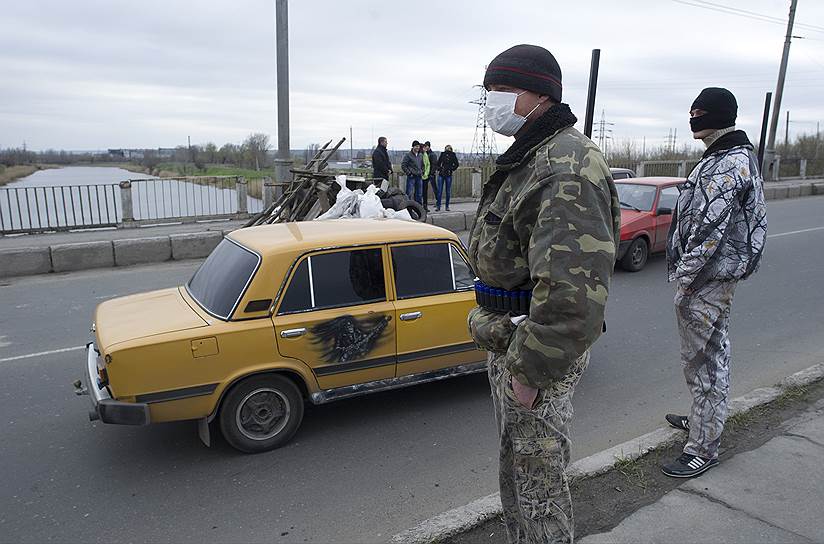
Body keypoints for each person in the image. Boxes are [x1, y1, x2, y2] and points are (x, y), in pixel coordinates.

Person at [467, 44, 620, 543]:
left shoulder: (564, 166)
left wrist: (530, 372)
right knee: (517, 470)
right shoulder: (535, 155)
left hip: (535, 353)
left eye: (499, 91)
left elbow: (571, 294)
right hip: (512, 340)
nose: (490, 101)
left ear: (537, 94)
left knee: (539, 489)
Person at [662, 87, 767, 478]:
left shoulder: (725, 164)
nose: (692, 117)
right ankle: (704, 420)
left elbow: (709, 231)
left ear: (718, 117)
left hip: (707, 279)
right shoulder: (730, 156)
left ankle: (703, 448)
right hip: (717, 276)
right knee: (714, 354)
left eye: (699, 111)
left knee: (703, 362)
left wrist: (685, 281)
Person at [436, 145, 459, 211]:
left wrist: (451, 169)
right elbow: (438, 163)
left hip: (448, 175)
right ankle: (438, 206)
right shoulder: (442, 154)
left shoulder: (453, 155)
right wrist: (440, 169)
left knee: (448, 191)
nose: (448, 149)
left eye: (449, 148)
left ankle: (447, 206)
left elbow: (456, 164)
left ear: (451, 149)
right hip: (441, 174)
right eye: (447, 148)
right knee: (439, 191)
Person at [421, 141, 439, 212]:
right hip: (426, 174)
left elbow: (434, 165)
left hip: (430, 174)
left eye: (426, 146)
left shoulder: (432, 154)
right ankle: (425, 204)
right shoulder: (424, 154)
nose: (425, 148)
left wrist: (431, 173)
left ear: (429, 146)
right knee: (424, 190)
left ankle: (438, 202)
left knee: (434, 189)